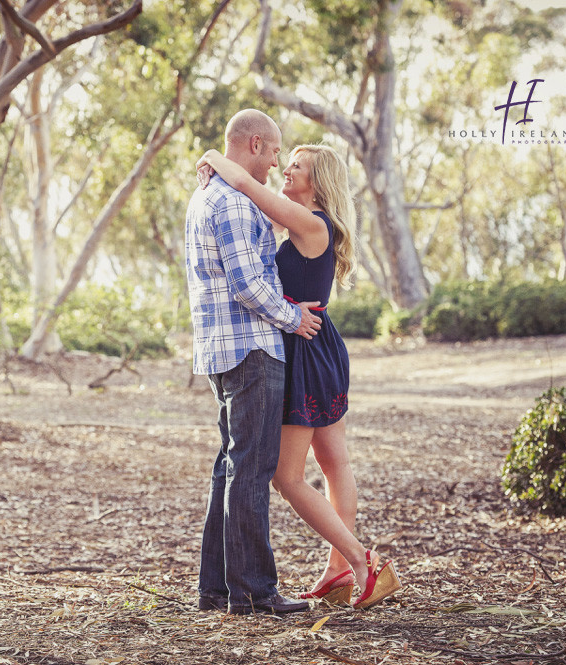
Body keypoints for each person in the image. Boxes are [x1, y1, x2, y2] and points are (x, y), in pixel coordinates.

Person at [197, 143, 401, 609]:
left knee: (286, 478)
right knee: (336, 463)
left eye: (297, 166)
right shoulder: (303, 223)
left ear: (318, 181)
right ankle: (337, 573)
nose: (286, 168)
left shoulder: (310, 223)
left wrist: (212, 153)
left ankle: (359, 561)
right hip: (317, 341)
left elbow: (248, 185)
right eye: (285, 160)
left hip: (305, 348)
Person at [186, 109, 323, 616]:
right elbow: (248, 284)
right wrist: (293, 318)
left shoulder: (208, 196)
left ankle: (216, 589)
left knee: (230, 467)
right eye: (274, 151)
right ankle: (254, 591)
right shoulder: (234, 203)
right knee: (251, 469)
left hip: (221, 351)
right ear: (257, 144)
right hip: (251, 347)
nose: (277, 162)